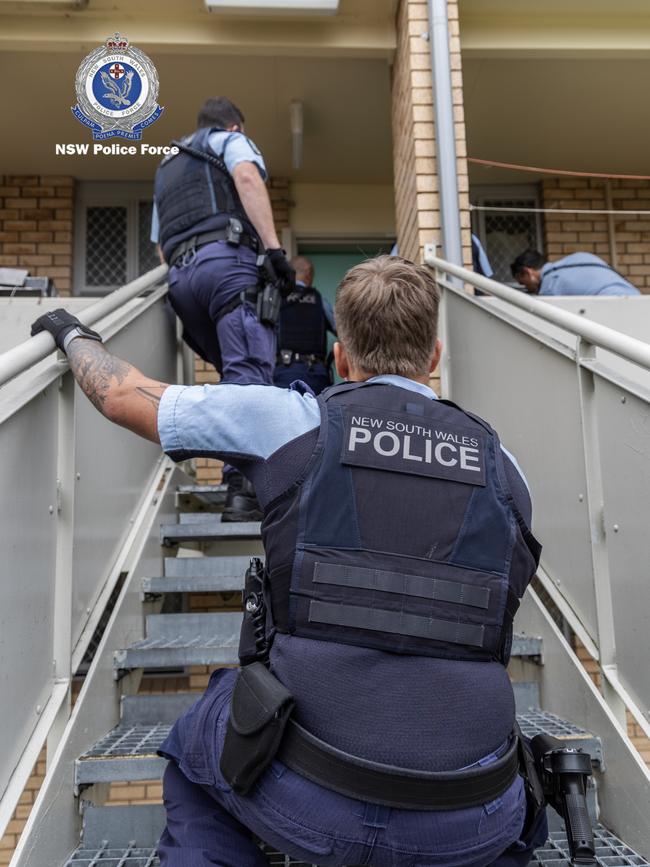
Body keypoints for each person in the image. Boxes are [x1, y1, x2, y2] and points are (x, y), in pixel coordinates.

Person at [31, 256, 548, 867]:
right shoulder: (503, 467)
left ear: (340, 359)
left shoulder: (292, 421)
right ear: (433, 357)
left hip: (310, 798)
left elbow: (120, 394)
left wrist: (73, 333)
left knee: (198, 750)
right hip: (470, 814)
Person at [151, 95, 295, 521]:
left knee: (235, 373)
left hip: (182, 280)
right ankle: (243, 492)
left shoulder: (166, 167)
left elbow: (161, 246)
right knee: (250, 371)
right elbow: (247, 179)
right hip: (226, 268)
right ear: (236, 126)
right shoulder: (230, 141)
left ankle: (239, 470)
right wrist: (274, 251)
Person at [273, 255, 337, 395]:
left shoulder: (276, 299)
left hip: (283, 370)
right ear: (308, 273)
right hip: (314, 373)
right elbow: (344, 331)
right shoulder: (319, 300)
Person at [511, 249, 640, 296]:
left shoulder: (550, 286)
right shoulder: (578, 258)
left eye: (524, 284)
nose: (528, 288)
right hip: (638, 298)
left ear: (528, 272)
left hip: (616, 305)